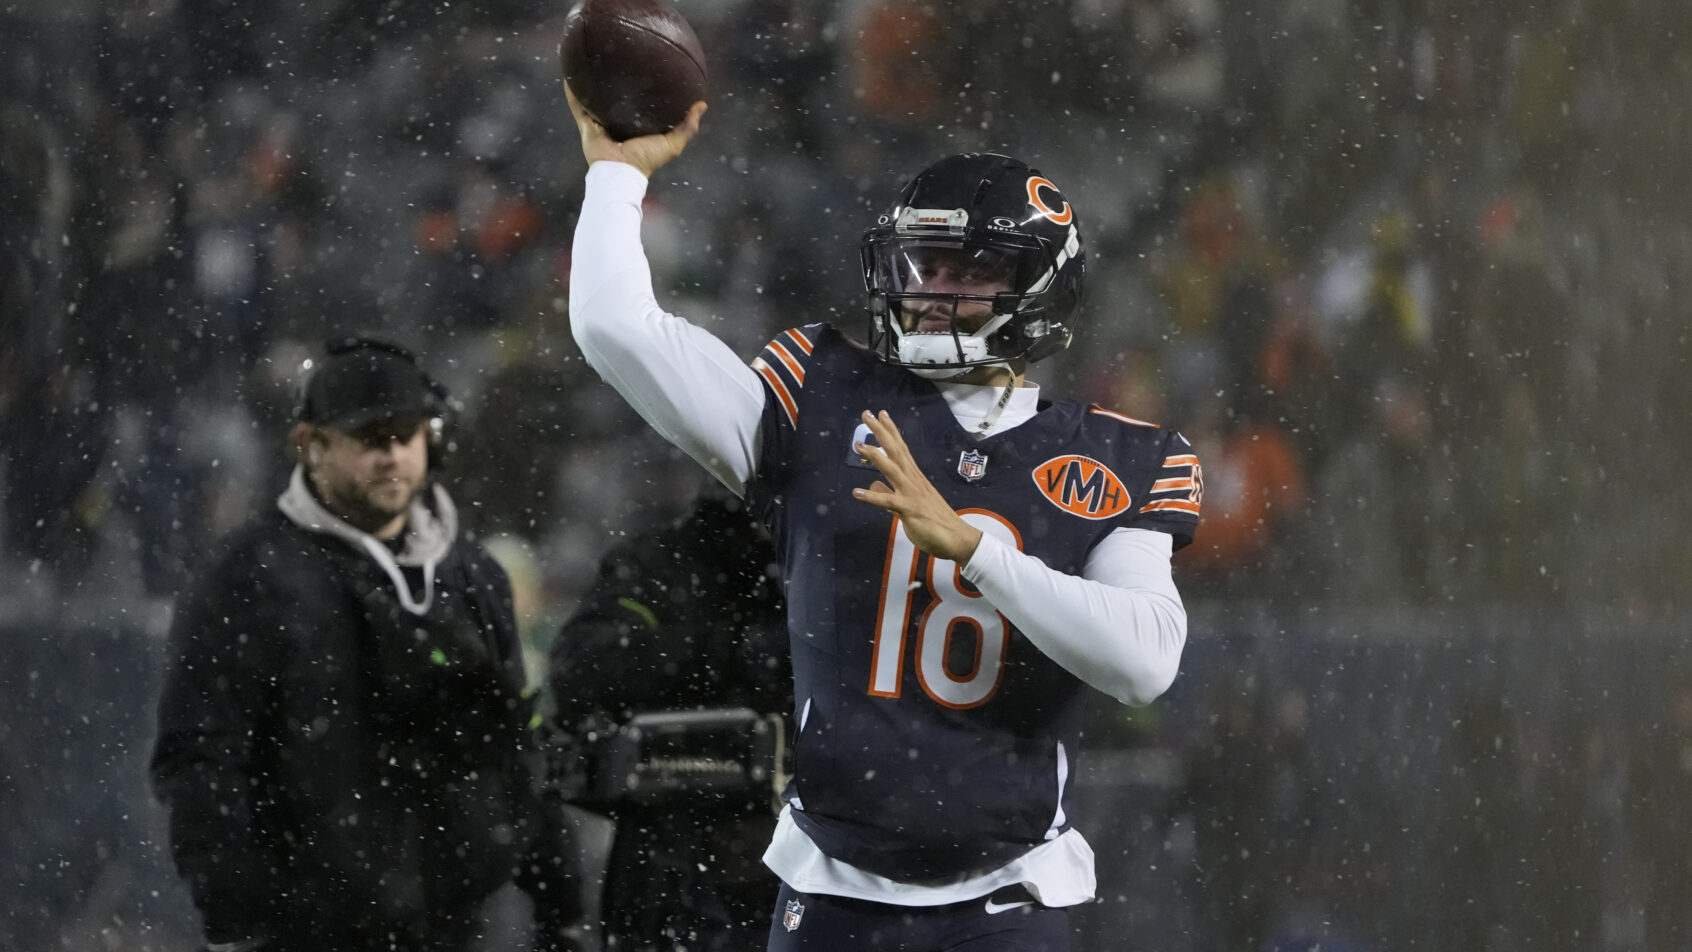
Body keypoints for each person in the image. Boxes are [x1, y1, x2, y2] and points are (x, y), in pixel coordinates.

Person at [563, 90, 1201, 952]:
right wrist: (614, 176)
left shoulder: (1117, 457)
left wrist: (976, 551)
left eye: (967, 269)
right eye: (923, 264)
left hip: (1010, 896)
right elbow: (615, 327)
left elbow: (1146, 661)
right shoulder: (820, 392)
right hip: (833, 888)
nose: (933, 291)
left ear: (1036, 287)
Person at [150, 336, 582, 952]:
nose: (392, 455)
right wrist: (237, 925)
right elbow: (201, 765)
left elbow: (518, 750)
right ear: (310, 445)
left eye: (406, 435)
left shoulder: (472, 576)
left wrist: (560, 907)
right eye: (368, 438)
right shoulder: (245, 579)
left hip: (452, 927)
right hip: (305, 932)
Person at [549, 491, 789, 951]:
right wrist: (711, 645)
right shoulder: (662, 562)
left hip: (799, 846)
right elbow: (579, 673)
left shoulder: (838, 561)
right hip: (674, 851)